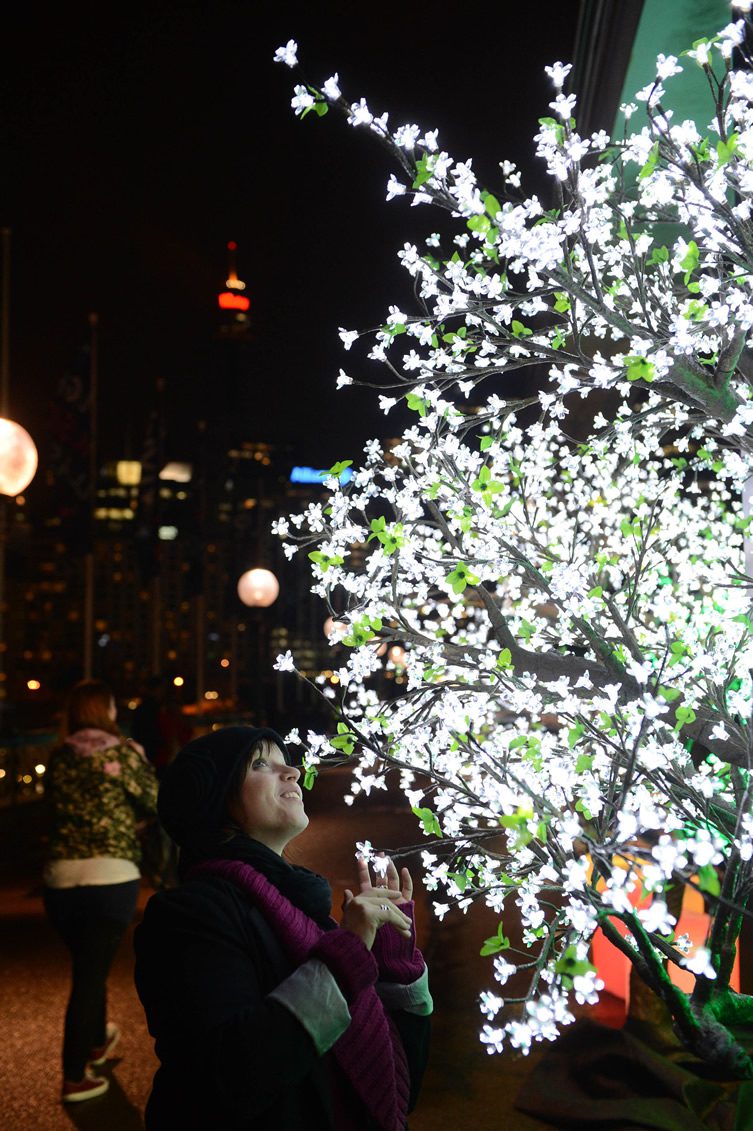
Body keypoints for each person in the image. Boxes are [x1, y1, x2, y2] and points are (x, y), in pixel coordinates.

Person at [134, 726, 432, 1130]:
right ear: (216, 801)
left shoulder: (301, 908)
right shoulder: (189, 914)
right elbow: (229, 1080)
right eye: (260, 764)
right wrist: (346, 956)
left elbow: (397, 1085)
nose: (291, 771)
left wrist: (393, 964)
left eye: (285, 762)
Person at [43, 679, 159, 1103]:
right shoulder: (123, 754)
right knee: (89, 974)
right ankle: (75, 1075)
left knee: (88, 963)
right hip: (110, 877)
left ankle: (95, 1039)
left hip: (59, 879)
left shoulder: (59, 757)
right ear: (104, 711)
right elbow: (155, 801)